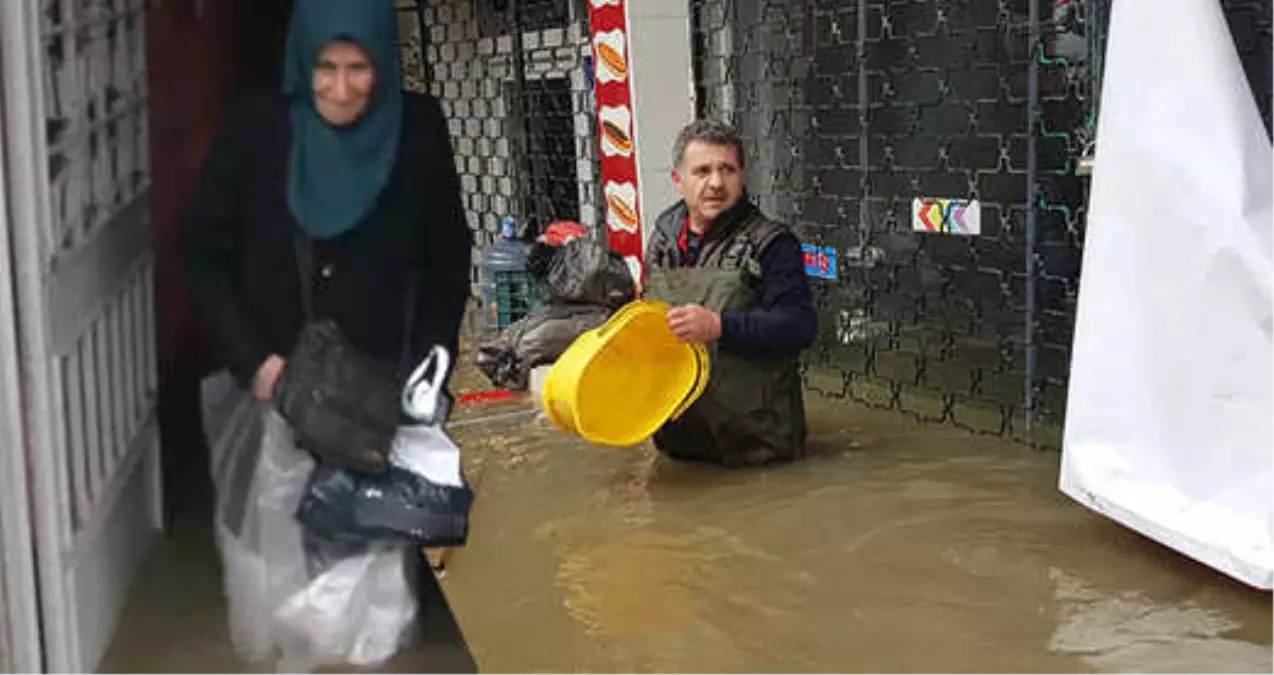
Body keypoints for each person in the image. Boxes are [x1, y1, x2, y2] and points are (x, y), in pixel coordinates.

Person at [181, 0, 472, 405]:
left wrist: (426, 372)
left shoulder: (417, 130)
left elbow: (448, 263)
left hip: (388, 392)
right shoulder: (255, 130)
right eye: (325, 68)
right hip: (277, 392)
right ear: (303, 59)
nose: (340, 90)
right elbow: (204, 254)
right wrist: (255, 362)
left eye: (358, 69)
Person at [644, 119, 817, 468]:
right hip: (678, 446)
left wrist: (720, 326)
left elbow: (800, 326)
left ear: (742, 175)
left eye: (728, 169)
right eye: (703, 171)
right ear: (678, 180)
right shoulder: (662, 241)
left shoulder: (771, 243)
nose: (716, 183)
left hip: (757, 448)